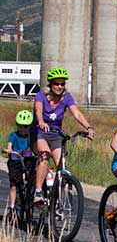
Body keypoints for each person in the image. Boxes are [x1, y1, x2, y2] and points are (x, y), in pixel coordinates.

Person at [29, 66, 95, 204]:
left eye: (62, 84)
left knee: (61, 164)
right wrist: (40, 121)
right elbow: (38, 109)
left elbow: (76, 113)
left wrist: (88, 127)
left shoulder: (66, 98)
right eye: (56, 83)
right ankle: (38, 192)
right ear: (50, 84)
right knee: (45, 155)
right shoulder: (41, 95)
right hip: (39, 133)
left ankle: (57, 199)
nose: (59, 86)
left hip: (56, 135)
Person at [4, 110, 35, 216]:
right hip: (15, 161)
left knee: (30, 180)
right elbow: (10, 143)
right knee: (14, 184)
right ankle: (12, 208)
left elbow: (35, 146)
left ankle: (28, 199)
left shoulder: (30, 137)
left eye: (25, 127)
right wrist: (9, 149)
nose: (23, 129)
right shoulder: (14, 135)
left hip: (27, 160)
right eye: (20, 126)